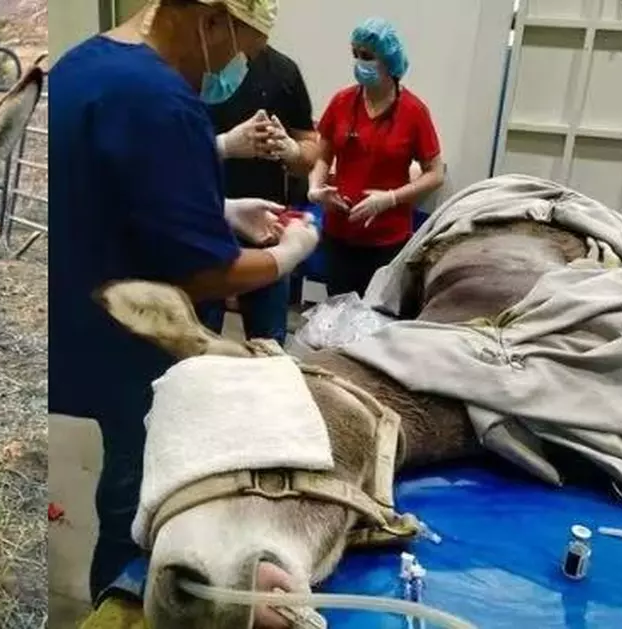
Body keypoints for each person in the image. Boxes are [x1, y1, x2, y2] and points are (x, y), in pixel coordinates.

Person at [48, 0, 320, 608]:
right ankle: (124, 607)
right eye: (240, 50)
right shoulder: (166, 102)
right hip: (130, 344)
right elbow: (202, 274)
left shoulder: (78, 68)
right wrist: (292, 252)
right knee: (140, 506)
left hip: (75, 329)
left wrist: (221, 212)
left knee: (122, 486)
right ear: (210, 21)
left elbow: (110, 201)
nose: (236, 68)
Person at [307, 17, 446, 299]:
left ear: (389, 60)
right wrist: (315, 189)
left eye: (367, 56)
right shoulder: (342, 102)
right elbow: (322, 158)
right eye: (356, 55)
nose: (360, 62)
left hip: (386, 240)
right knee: (337, 317)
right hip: (339, 235)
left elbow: (435, 173)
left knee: (375, 323)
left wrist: (390, 199)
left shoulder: (413, 112)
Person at [206, 39, 319, 344]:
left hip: (266, 227)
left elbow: (310, 152)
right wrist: (224, 145)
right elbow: (164, 151)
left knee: (269, 345)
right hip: (202, 224)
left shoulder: (282, 71)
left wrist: (293, 150)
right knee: (198, 343)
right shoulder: (194, 67)